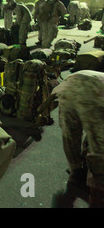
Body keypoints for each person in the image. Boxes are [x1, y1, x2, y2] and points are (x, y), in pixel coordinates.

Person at [51, 70, 104, 207]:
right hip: (92, 93)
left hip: (69, 85)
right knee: (99, 146)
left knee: (70, 135)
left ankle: (76, 173)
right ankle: (97, 192)